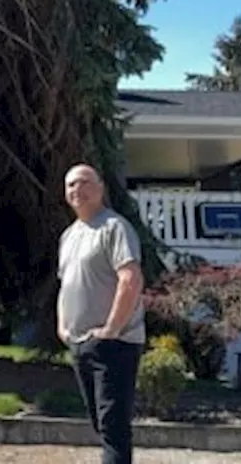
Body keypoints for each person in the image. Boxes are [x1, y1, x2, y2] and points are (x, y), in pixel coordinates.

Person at [56, 163, 145, 464]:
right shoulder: (69, 236)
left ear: (100, 187)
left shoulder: (114, 227)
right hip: (80, 342)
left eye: (84, 182)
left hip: (114, 344)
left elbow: (130, 279)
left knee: (113, 428)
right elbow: (65, 284)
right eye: (70, 185)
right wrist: (63, 327)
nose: (76, 190)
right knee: (101, 425)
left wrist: (111, 329)